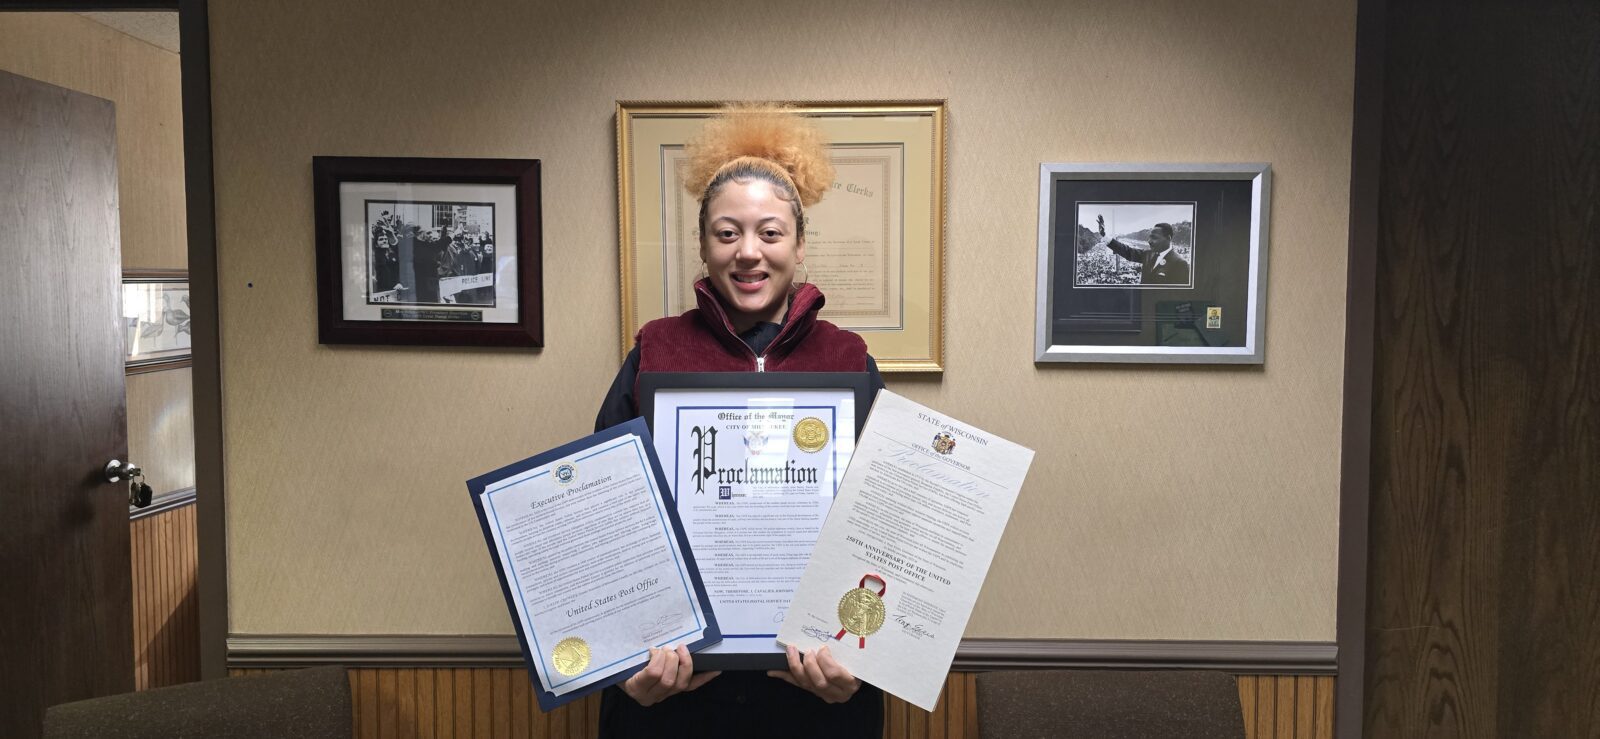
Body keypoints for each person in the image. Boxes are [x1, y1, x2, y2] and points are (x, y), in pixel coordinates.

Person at [593, 105, 886, 739]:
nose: (748, 252)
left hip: (814, 706)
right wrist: (624, 672)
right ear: (703, 245)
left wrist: (861, 665)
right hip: (673, 703)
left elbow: (886, 534)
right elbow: (608, 520)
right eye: (728, 233)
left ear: (800, 245)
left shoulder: (849, 360)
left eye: (770, 233)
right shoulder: (655, 353)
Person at [1104, 222, 1190, 285]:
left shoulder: (1180, 263)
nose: (1149, 241)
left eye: (1154, 238)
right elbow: (1128, 252)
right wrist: (1105, 236)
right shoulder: (1148, 254)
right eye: (1149, 237)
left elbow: (1180, 295)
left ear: (1168, 238)